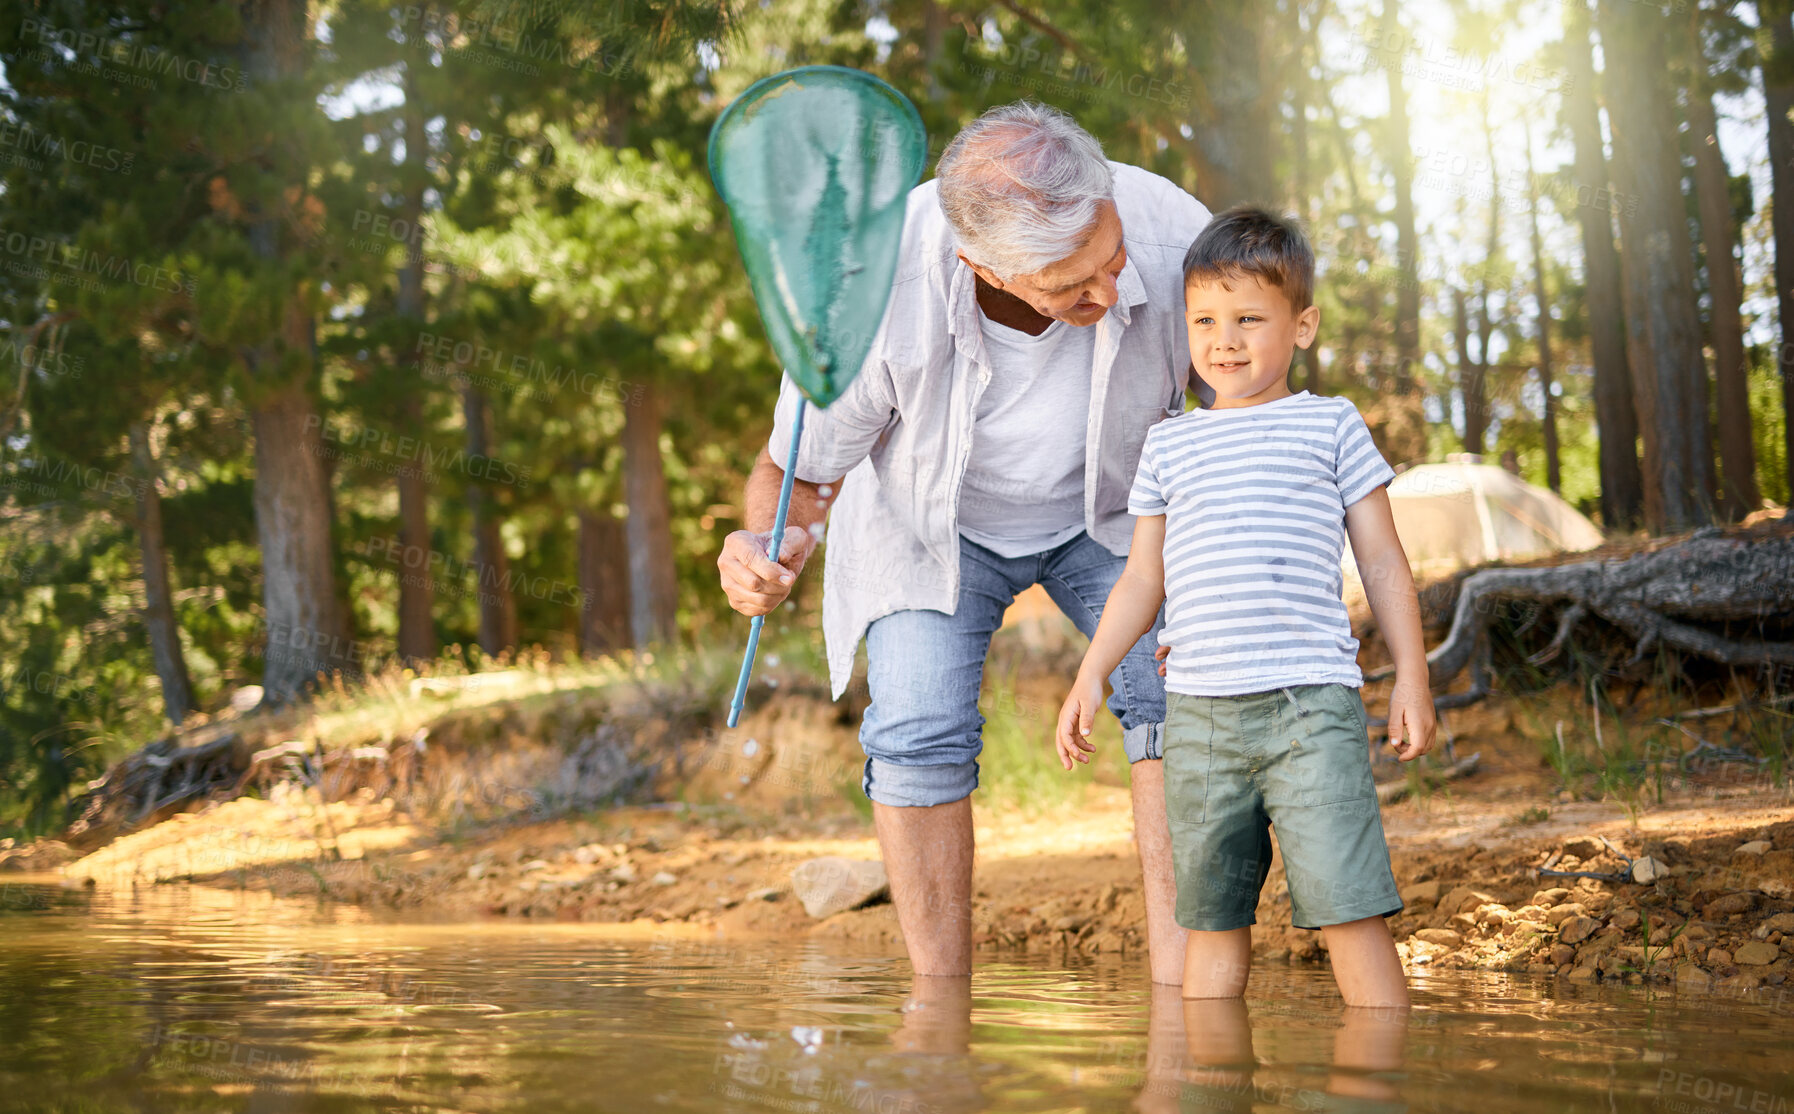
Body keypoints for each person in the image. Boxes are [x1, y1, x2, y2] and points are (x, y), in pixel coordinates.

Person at [717, 101, 1211, 984]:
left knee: (1182, 694)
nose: (1108, 290)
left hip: (1120, 512)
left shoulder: (1178, 238)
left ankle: (1189, 996)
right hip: (929, 525)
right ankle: (939, 1011)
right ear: (979, 264)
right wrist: (769, 541)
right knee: (915, 727)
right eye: (1072, 286)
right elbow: (795, 471)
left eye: (1111, 257)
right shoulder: (868, 295)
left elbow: (1251, 390)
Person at [1054, 206, 1437, 1007]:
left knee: (1351, 910)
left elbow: (1383, 561)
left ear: (1303, 326)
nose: (1223, 340)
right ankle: (1205, 1078)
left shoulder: (1330, 425)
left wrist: (1412, 677)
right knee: (1212, 921)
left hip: (1311, 711)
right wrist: (1092, 675)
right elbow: (1141, 581)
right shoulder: (1171, 443)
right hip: (1200, 719)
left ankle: (1380, 1077)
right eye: (1204, 320)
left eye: (1248, 318)